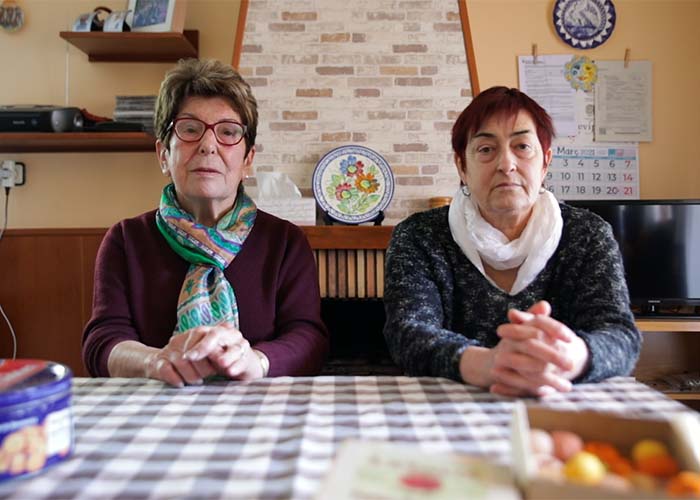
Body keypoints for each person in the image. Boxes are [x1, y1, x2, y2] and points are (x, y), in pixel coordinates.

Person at [82, 59, 329, 387]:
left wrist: (255, 360)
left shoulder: (284, 241)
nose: (208, 145)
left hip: (259, 406)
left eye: (228, 132)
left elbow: (309, 337)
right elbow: (103, 340)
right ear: (163, 154)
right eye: (189, 129)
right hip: (155, 404)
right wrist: (155, 361)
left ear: (248, 160)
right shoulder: (126, 240)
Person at [383, 86, 641, 397]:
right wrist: (488, 364)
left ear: (545, 161)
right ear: (462, 166)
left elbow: (619, 335)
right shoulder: (419, 235)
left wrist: (568, 357)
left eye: (522, 146)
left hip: (560, 401)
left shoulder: (588, 234)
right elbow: (407, 333)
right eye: (486, 149)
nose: (506, 164)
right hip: (450, 408)